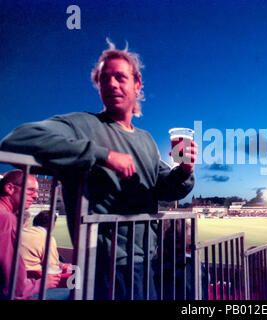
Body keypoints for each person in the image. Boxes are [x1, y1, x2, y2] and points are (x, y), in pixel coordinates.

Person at [0, 39, 197, 300]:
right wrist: (102, 155)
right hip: (103, 265)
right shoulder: (82, 124)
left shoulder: (147, 140)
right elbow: (16, 141)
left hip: (146, 262)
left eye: (119, 77)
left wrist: (184, 170)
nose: (112, 84)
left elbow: (167, 188)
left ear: (137, 84)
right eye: (104, 79)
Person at [0, 170, 63, 299]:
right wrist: (43, 283)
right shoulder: (6, 219)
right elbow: (15, 289)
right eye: (31, 190)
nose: (36, 196)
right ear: (10, 188)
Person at [21, 210, 71, 274]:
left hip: (15, 275)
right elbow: (53, 268)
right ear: (52, 225)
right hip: (34, 278)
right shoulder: (47, 239)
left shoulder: (21, 233)